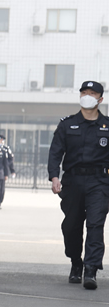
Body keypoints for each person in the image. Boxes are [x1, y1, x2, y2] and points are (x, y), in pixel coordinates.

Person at [48, 81, 109, 290]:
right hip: (72, 182)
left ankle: (91, 270)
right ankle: (76, 261)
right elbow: (55, 152)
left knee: (95, 225)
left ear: (100, 99)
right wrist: (54, 177)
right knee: (71, 225)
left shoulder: (107, 125)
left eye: (92, 93)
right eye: (84, 93)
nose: (87, 96)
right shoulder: (67, 124)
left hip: (99, 183)